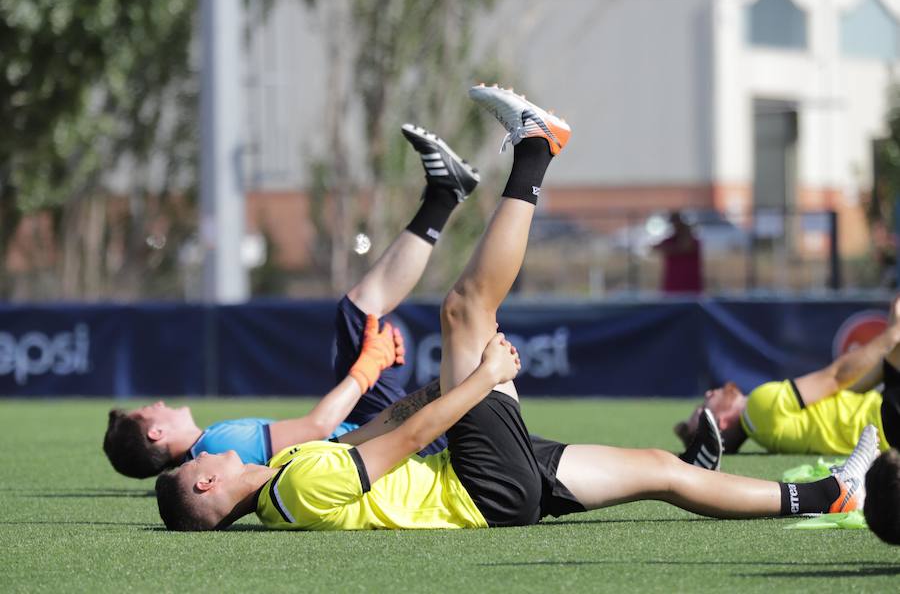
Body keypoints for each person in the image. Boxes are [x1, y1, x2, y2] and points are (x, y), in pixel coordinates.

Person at [154, 85, 876, 533]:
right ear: (209, 483)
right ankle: (536, 147)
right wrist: (476, 380)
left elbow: (377, 431)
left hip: (495, 485)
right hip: (482, 489)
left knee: (661, 467)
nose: (207, 451)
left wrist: (440, 391)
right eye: (198, 465)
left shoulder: (291, 480)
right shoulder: (296, 486)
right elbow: (404, 446)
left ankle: (826, 496)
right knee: (466, 312)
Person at [102, 124, 481, 478]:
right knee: (359, 311)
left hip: (370, 430)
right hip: (377, 439)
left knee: (362, 315)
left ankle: (443, 193)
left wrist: (371, 364)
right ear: (156, 434)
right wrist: (368, 367)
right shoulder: (216, 445)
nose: (157, 404)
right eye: (148, 412)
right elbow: (318, 428)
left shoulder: (210, 447)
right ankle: (446, 194)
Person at [674, 294, 900, 457]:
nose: (708, 393)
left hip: (887, 425)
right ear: (720, 423)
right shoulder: (759, 407)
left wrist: (892, 348)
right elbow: (835, 377)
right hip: (887, 418)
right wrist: (893, 333)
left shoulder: (765, 432)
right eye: (703, 407)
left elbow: (849, 388)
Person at [654, 211, 702, 294]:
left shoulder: (693, 241)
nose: (676, 226)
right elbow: (655, 247)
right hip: (673, 288)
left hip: (690, 288)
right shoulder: (670, 241)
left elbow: (685, 248)